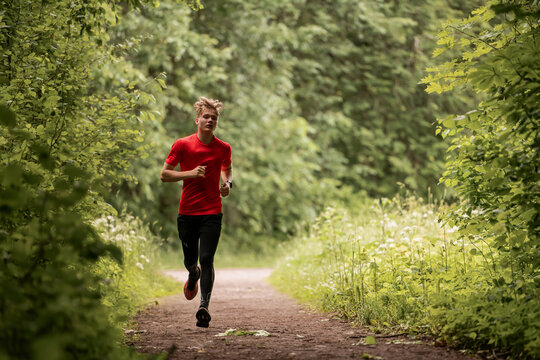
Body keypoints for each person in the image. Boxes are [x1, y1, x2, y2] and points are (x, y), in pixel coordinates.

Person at [160, 97, 233, 328]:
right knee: (191, 261)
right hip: (187, 212)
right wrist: (190, 173)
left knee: (207, 258)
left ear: (217, 122)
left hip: (212, 212)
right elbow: (164, 174)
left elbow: (227, 169)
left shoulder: (223, 148)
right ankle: (193, 273)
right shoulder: (182, 145)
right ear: (197, 120)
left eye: (214, 118)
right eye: (206, 117)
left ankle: (204, 305)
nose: (210, 120)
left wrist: (227, 184)